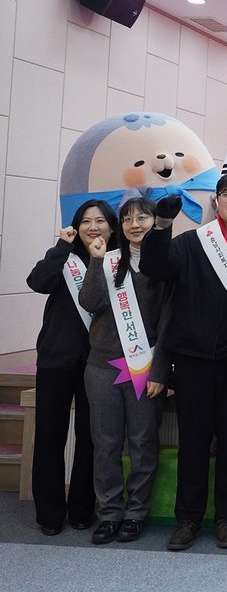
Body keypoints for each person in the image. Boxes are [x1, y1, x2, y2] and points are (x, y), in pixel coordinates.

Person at [141, 172, 227, 551]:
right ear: (216, 201)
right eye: (226, 194)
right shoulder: (191, 242)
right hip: (193, 361)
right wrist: (162, 226)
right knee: (193, 441)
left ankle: (225, 518)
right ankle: (187, 519)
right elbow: (155, 269)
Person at [78, 196, 169, 545]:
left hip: (144, 367)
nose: (134, 224)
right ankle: (109, 513)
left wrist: (160, 370)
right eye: (128, 218)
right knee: (106, 444)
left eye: (142, 218)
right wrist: (96, 260)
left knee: (143, 443)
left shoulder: (164, 265)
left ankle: (135, 514)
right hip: (101, 367)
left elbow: (169, 321)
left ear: (154, 222)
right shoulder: (108, 259)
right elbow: (91, 302)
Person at [27, 200, 117, 536]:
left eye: (100, 221)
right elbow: (37, 281)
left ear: (112, 227)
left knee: (91, 437)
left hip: (99, 361)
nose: (93, 227)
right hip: (56, 358)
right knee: (49, 436)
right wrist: (61, 246)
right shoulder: (64, 257)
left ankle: (82, 508)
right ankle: (49, 513)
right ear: (76, 227)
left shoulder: (117, 260)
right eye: (85, 221)